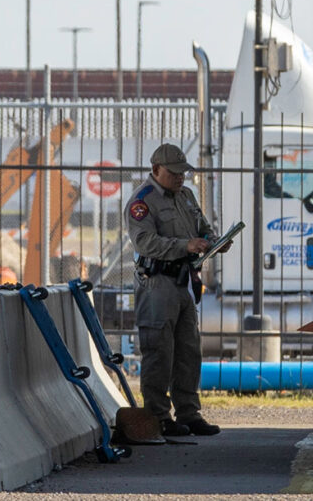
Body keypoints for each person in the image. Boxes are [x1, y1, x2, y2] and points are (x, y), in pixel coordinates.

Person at [124, 143, 232, 437]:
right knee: (159, 351)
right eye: (174, 173)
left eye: (183, 173)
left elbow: (201, 227)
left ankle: (189, 412)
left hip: (183, 281)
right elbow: (145, 243)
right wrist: (184, 245)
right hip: (157, 282)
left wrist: (213, 241)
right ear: (156, 169)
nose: (180, 178)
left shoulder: (185, 196)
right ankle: (158, 415)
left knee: (187, 351)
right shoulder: (142, 202)